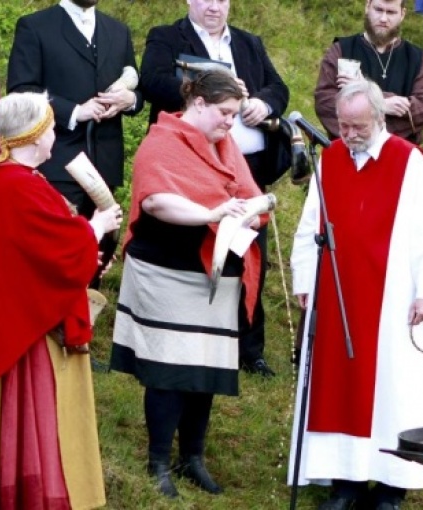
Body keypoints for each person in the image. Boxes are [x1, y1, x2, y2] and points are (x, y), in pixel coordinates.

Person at [0, 92, 122, 509]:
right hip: (26, 332)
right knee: (34, 415)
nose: (55, 136)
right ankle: (32, 495)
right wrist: (95, 228)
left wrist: (81, 243)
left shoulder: (1, 182)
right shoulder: (17, 186)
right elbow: (53, 250)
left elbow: (30, 252)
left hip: (13, 316)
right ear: (35, 133)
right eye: (51, 127)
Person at [288, 79, 423, 510]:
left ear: (380, 119)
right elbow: (310, 225)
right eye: (343, 125)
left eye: (359, 126)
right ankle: (346, 483)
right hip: (338, 293)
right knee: (337, 389)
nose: (350, 134)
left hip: (394, 295)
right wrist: (305, 280)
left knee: (392, 391)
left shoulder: (408, 162)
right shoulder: (331, 158)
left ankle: (391, 486)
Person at [109, 69, 267, 499]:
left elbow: (249, 193)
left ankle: (191, 457)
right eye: (224, 113)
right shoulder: (162, 141)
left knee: (207, 367)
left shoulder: (225, 144)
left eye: (234, 114)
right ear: (198, 103)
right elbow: (157, 200)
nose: (229, 123)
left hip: (214, 273)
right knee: (169, 371)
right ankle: (158, 460)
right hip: (166, 270)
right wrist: (213, 214)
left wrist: (252, 211)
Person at [139, 0, 290, 378]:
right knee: (204, 248)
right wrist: (212, 90)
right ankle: (202, 332)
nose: (214, 6)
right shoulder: (167, 36)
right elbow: (153, 82)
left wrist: (259, 103)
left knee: (252, 252)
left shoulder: (248, 42)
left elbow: (279, 88)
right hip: (193, 162)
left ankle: (249, 347)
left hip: (248, 167)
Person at [7, 0, 139, 287]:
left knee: (93, 264)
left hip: (104, 164)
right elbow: (21, 89)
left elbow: (135, 88)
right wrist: (75, 112)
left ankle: (83, 328)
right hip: (56, 163)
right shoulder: (35, 26)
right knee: (51, 262)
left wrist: (130, 100)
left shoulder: (118, 31)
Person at [315, 0, 423, 144]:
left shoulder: (418, 58)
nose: (383, 19)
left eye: (391, 12)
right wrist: (382, 104)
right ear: (367, 7)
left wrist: (362, 93)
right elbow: (325, 103)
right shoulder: (341, 50)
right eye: (379, 10)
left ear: (402, 14)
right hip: (350, 152)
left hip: (400, 156)